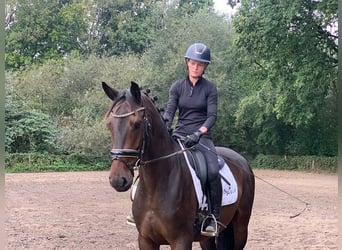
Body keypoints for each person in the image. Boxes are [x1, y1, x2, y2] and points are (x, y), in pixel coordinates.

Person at [163, 43, 222, 235]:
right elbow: (170, 111)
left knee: (212, 171)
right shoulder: (177, 87)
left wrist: (199, 132)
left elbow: (212, 116)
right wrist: (165, 125)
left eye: (200, 64)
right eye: (193, 63)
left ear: (205, 67)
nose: (196, 67)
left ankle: (212, 217)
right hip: (180, 135)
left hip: (202, 138)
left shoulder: (210, 88)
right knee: (153, 162)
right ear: (187, 63)